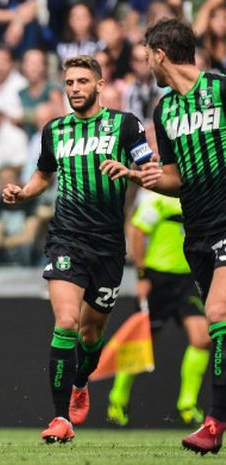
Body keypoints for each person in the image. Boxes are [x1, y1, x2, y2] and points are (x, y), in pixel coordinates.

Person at [1, 55, 158, 444]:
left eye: (82, 81)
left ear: (100, 85)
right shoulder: (54, 130)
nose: (75, 88)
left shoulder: (125, 124)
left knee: (91, 334)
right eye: (69, 82)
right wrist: (24, 192)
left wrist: (132, 173)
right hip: (67, 238)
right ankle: (59, 419)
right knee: (67, 322)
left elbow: (151, 170)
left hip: (108, 246)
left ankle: (81, 381)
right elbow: (43, 173)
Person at [103, 18, 226, 455]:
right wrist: (137, 176)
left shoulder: (220, 88)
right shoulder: (164, 110)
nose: (145, 67)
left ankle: (214, 424)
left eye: (144, 57)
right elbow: (173, 178)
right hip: (198, 230)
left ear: (158, 54)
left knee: (216, 314)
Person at [107, 192, 210, 427]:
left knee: (202, 338)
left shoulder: (201, 197)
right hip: (158, 278)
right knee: (144, 343)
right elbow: (136, 231)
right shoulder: (160, 199)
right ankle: (118, 398)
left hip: (189, 281)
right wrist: (142, 275)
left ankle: (187, 404)